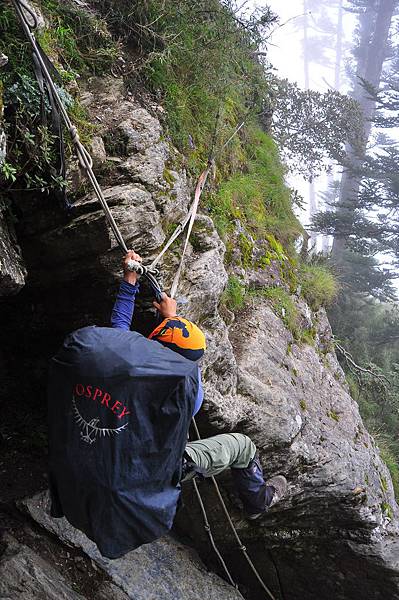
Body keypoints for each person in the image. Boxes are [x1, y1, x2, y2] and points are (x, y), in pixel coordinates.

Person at [112, 250, 288, 520]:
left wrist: (130, 279)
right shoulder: (188, 395)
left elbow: (119, 326)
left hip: (111, 443)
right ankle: (258, 501)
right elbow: (182, 361)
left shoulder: (126, 363)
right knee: (243, 446)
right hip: (157, 467)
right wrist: (171, 319)